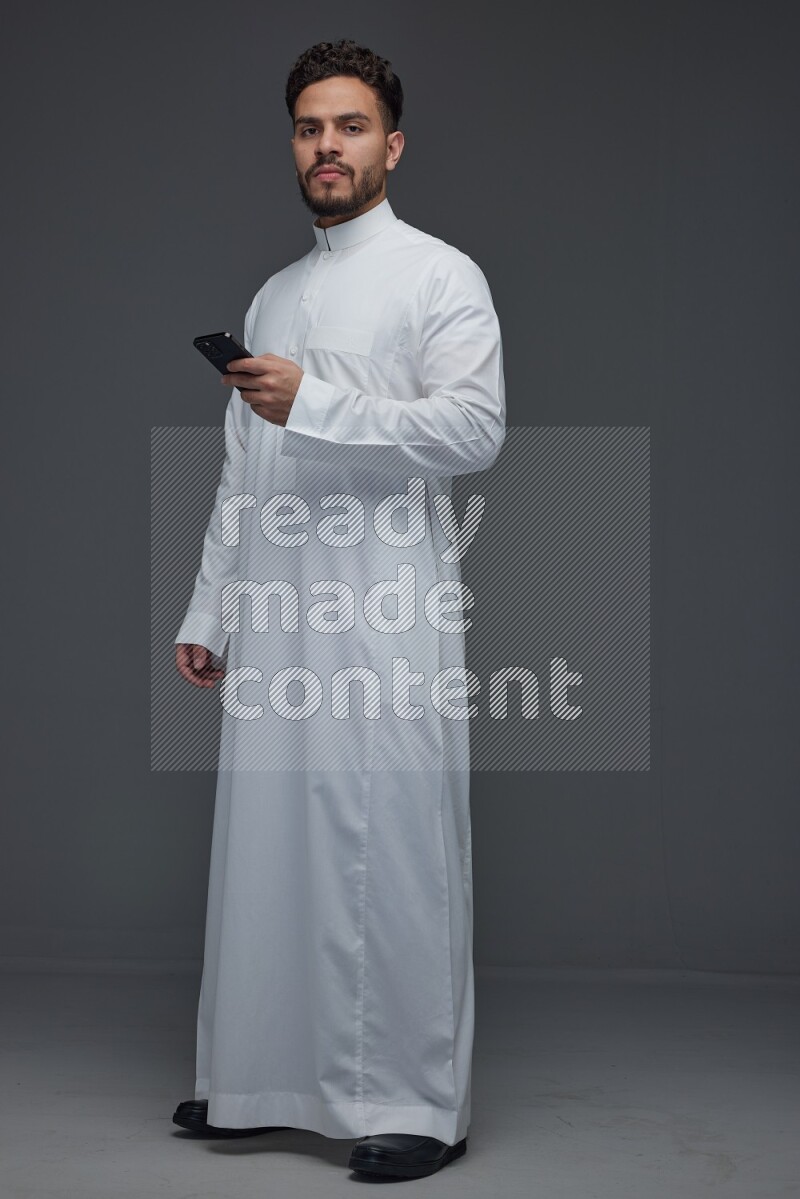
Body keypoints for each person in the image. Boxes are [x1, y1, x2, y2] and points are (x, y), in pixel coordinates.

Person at [171, 38, 506, 1181]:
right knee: (269, 850)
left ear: (391, 144)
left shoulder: (437, 275)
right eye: (310, 127)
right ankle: (256, 1077)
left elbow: (472, 431)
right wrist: (211, 610)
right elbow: (239, 469)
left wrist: (317, 400)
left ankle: (416, 1100)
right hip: (280, 614)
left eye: (349, 126)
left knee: (391, 849)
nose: (327, 146)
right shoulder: (275, 292)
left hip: (383, 615)